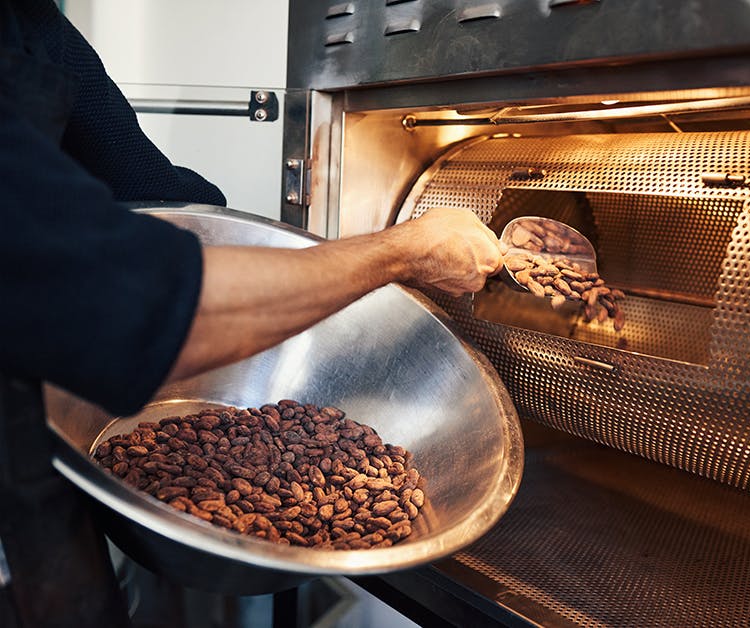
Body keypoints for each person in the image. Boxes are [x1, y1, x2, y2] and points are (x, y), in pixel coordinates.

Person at [0, 1, 502, 626]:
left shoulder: (33, 23)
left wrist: (277, 255)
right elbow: (138, 306)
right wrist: (404, 250)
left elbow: (160, 193)